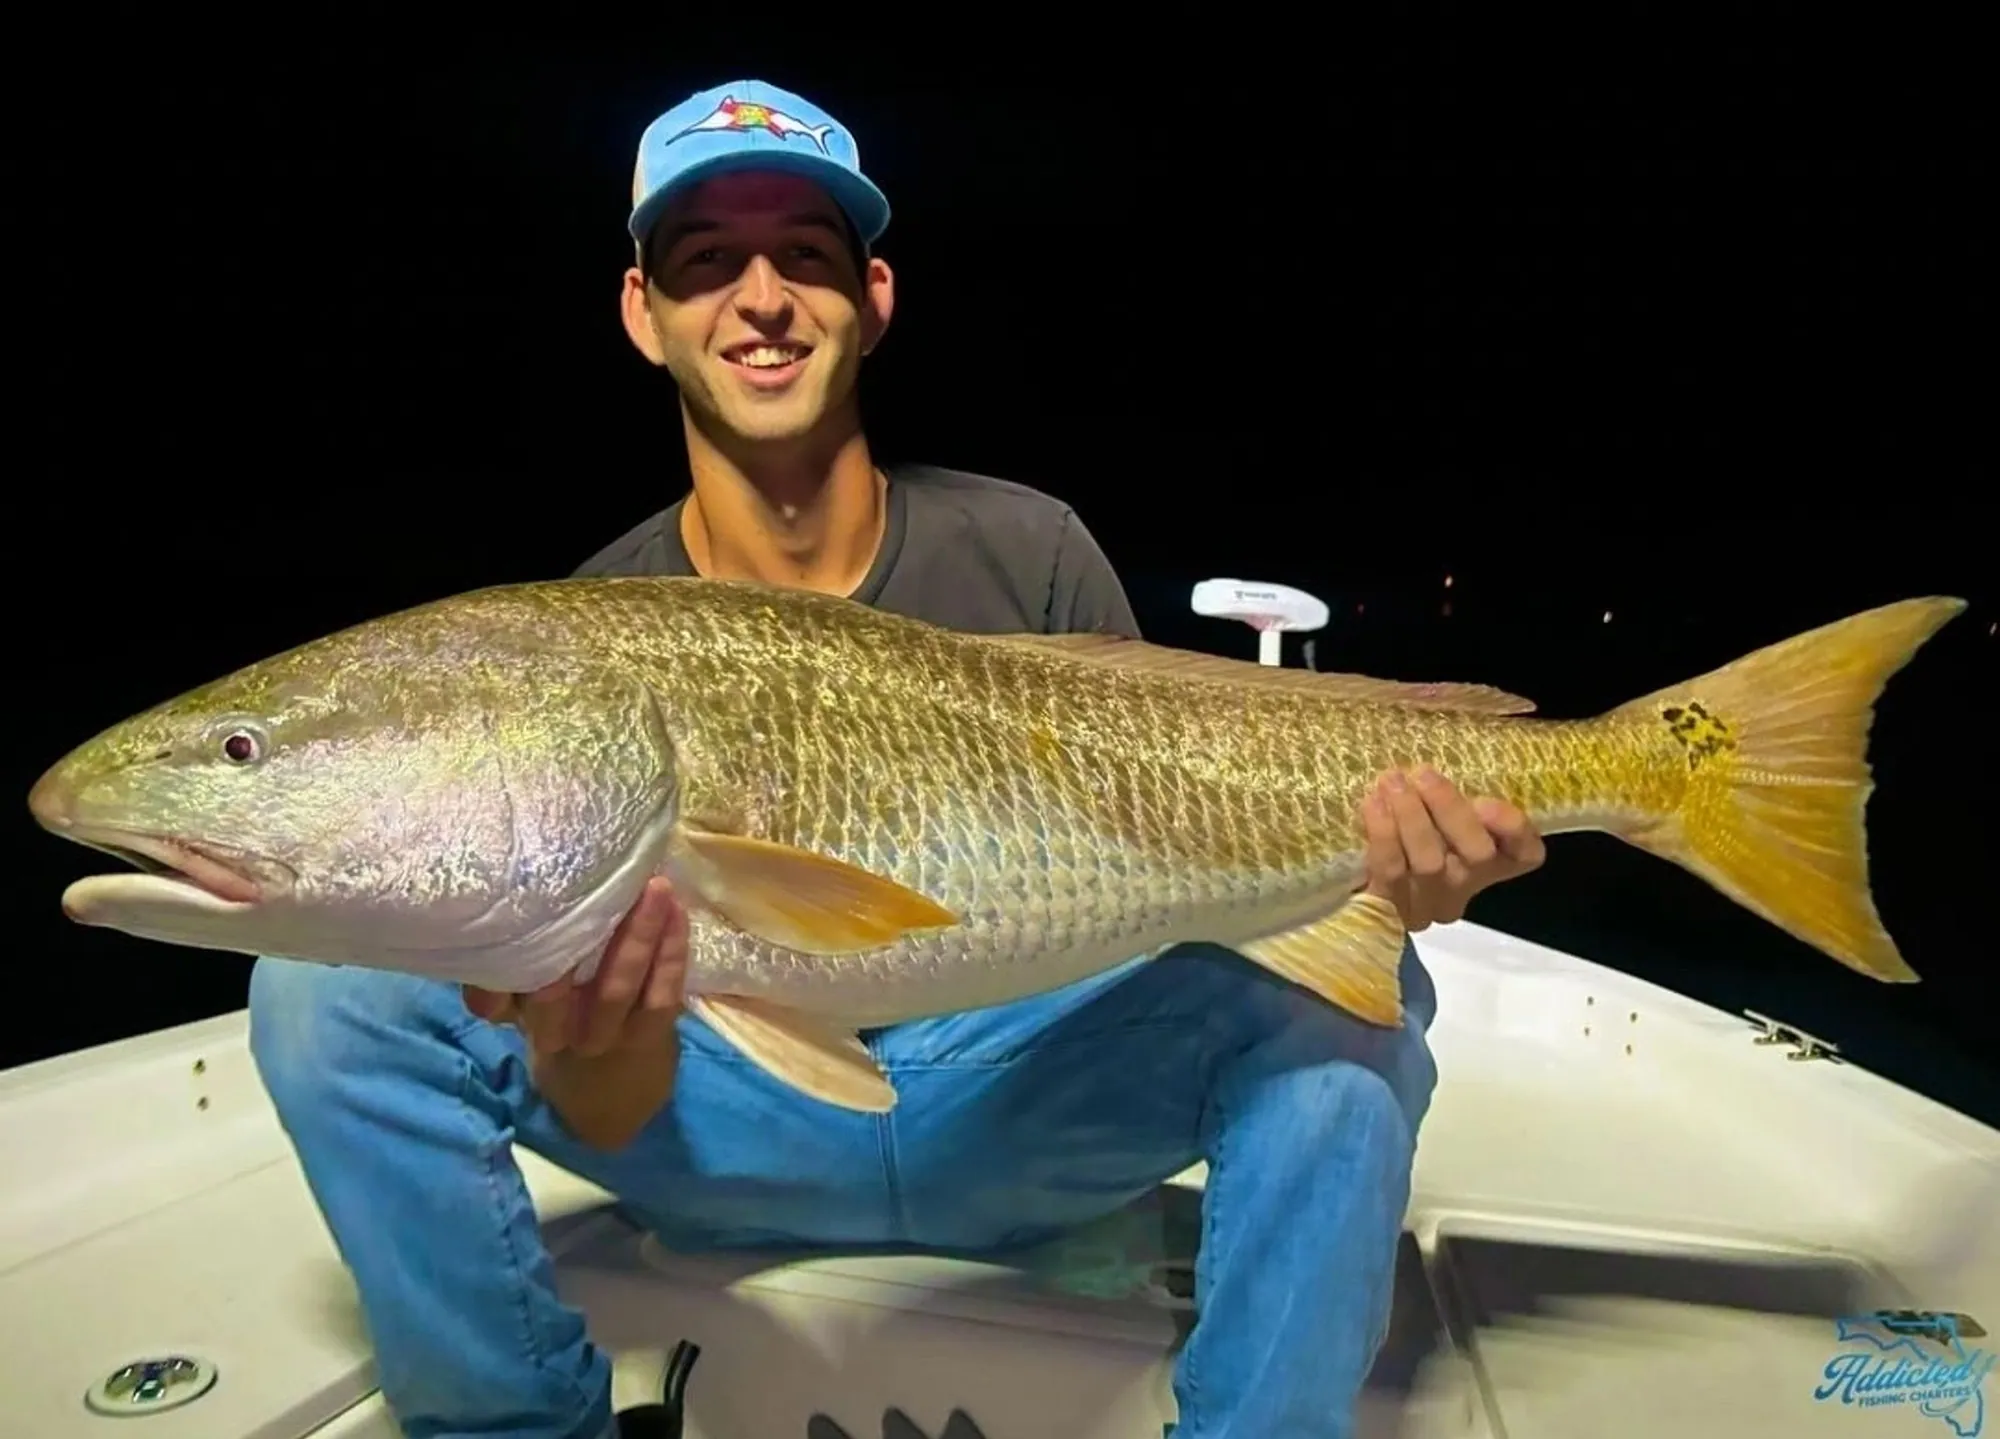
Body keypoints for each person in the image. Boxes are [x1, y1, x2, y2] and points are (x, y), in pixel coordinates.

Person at [246, 79, 1548, 1439]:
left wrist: (1382, 874)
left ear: (871, 297)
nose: (760, 298)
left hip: (1018, 1106)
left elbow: (1181, 831)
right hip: (738, 1133)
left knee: (1356, 1010)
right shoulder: (596, 631)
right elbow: (611, 1099)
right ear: (644, 313)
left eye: (803, 257)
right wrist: (597, 1032)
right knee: (323, 997)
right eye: (705, 262)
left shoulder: (1028, 551)